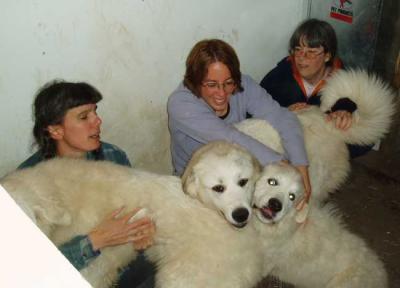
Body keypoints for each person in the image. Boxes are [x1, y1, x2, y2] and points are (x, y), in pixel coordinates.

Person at [18, 80, 156, 288]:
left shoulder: (112, 156)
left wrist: (143, 232)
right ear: (56, 131)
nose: (98, 121)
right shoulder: (27, 184)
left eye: (95, 112)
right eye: (84, 117)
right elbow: (30, 267)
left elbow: (138, 211)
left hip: (121, 266)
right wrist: (95, 241)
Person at [167, 38, 311, 204]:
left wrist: (301, 166)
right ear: (196, 81)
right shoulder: (180, 103)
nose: (221, 93)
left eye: (228, 83)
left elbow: (282, 117)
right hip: (199, 186)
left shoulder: (243, 84)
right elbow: (228, 137)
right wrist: (282, 166)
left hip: (240, 173)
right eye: (212, 84)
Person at [260, 18, 372, 158]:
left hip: (323, 150)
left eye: (311, 51)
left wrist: (345, 112)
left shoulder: (345, 80)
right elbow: (257, 107)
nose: (301, 58)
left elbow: (366, 119)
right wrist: (284, 112)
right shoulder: (279, 75)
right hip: (287, 147)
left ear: (327, 55)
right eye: (298, 50)